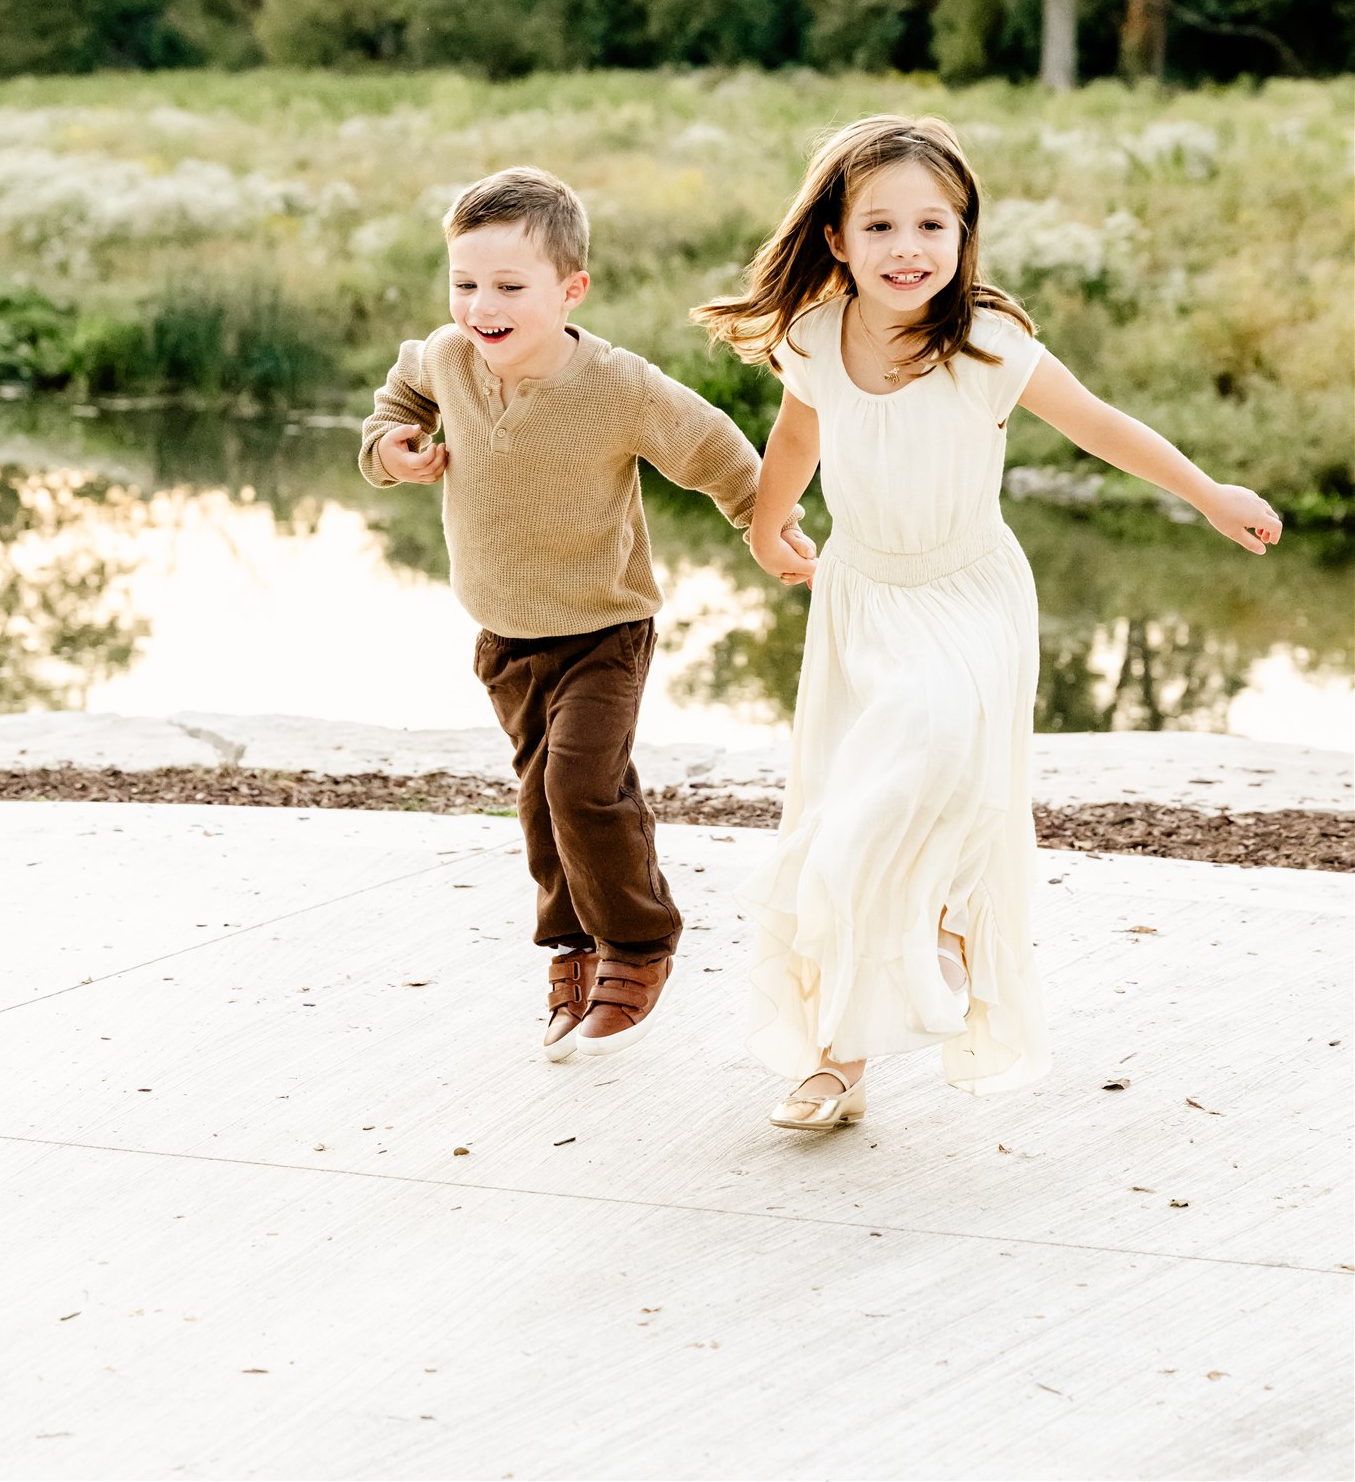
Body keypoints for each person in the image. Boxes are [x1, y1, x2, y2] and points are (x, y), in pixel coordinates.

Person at [694, 115, 1283, 1132]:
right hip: (863, 595)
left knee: (925, 752)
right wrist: (765, 521)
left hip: (968, 594)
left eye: (935, 222)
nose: (908, 246)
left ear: (966, 236)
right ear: (835, 238)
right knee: (849, 822)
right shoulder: (814, 338)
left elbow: (1100, 424)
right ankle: (837, 1058)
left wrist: (1205, 490)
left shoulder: (986, 344)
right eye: (879, 224)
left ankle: (941, 920)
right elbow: (797, 433)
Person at [359, 165, 814, 1063]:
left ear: (570, 290)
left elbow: (711, 445)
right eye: (463, 283)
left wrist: (768, 526)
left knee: (581, 786)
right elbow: (395, 402)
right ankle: (571, 944)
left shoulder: (617, 386)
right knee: (540, 803)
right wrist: (391, 449)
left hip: (604, 630)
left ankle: (640, 944)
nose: (480, 306)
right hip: (503, 636)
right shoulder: (444, 359)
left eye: (508, 287)